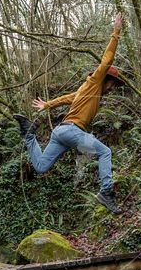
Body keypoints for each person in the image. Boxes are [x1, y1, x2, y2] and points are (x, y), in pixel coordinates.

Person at [14, 12, 124, 214]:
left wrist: (47, 104)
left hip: (60, 134)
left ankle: (29, 136)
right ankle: (106, 192)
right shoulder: (95, 81)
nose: (112, 89)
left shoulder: (86, 90)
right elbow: (106, 60)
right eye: (113, 84)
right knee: (104, 152)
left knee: (41, 166)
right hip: (72, 131)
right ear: (105, 79)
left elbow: (68, 98)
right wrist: (116, 32)